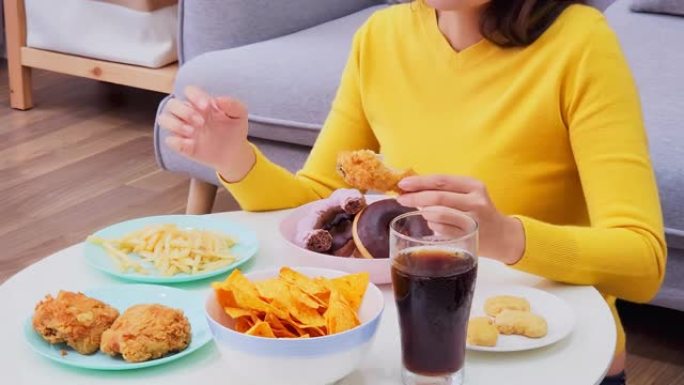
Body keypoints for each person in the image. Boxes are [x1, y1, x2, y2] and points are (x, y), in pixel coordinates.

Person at [157, 1, 666, 383]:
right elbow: (319, 201)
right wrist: (235, 159)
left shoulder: (580, 43)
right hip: (409, 348)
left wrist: (506, 236)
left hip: (548, 359)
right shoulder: (382, 35)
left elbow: (644, 261)